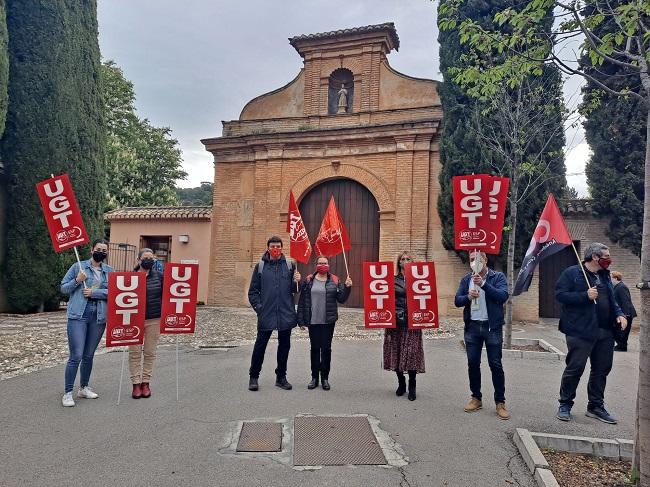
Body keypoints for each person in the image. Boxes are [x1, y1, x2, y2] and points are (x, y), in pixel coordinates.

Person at [555, 243, 627, 424]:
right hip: (580, 331)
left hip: (605, 331)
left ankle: (595, 406)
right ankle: (565, 404)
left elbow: (611, 299)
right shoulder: (572, 273)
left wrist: (619, 314)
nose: (609, 259)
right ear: (595, 257)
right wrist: (584, 296)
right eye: (606, 256)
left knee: (601, 370)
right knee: (575, 368)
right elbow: (560, 295)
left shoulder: (604, 275)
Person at [454, 250, 510, 419]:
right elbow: (457, 300)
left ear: (485, 260)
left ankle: (500, 402)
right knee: (473, 363)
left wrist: (484, 284)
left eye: (477, 259)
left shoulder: (497, 277)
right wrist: (467, 297)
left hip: (491, 327)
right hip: (472, 327)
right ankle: (476, 397)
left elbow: (502, 296)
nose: (474, 262)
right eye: (471, 260)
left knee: (495, 365)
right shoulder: (466, 279)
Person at [59, 238, 113, 407]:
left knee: (89, 355)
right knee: (76, 355)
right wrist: (77, 280)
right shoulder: (79, 267)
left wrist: (95, 293)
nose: (101, 252)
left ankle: (83, 388)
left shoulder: (110, 271)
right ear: (91, 250)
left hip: (98, 317)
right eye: (99, 249)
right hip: (78, 316)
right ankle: (68, 392)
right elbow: (63, 288)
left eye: (104, 250)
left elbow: (115, 291)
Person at [247, 236, 301, 391]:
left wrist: (297, 281)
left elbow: (294, 290)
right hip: (267, 313)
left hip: (285, 312)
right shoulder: (261, 266)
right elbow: (253, 292)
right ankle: (254, 376)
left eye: (278, 246)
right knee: (260, 345)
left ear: (282, 248)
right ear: (268, 248)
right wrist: (259, 307)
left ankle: (281, 377)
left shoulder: (290, 266)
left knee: (284, 346)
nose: (275, 249)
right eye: (273, 246)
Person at [297, 255, 352, 390]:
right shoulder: (309, 280)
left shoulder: (334, 280)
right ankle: (314, 377)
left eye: (325, 263)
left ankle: (325, 378)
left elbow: (342, 299)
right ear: (316, 265)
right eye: (320, 263)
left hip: (328, 321)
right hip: (313, 321)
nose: (323, 265)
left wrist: (347, 287)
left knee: (326, 349)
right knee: (315, 349)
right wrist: (301, 320)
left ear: (329, 265)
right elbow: (303, 301)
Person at [383, 251, 425, 401]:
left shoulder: (421, 280)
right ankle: (401, 383)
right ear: (399, 262)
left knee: (412, 353)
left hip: (413, 322)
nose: (405, 261)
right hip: (396, 322)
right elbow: (385, 299)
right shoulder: (392, 280)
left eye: (408, 259)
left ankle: (412, 384)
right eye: (402, 259)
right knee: (397, 352)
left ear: (413, 262)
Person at [129, 248, 164, 399]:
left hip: (154, 319)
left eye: (151, 258)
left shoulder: (161, 277)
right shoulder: (130, 277)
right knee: (135, 353)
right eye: (146, 257)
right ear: (139, 260)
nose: (149, 260)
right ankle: (136, 384)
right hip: (134, 320)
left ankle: (146, 383)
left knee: (150, 352)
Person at [611, 271, 637, 352]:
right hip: (622, 313)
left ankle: (622, 346)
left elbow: (625, 300)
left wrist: (625, 314)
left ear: (615, 278)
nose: (609, 280)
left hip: (626, 313)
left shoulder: (621, 287)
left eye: (610, 278)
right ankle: (621, 345)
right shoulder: (616, 287)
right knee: (619, 330)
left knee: (623, 330)